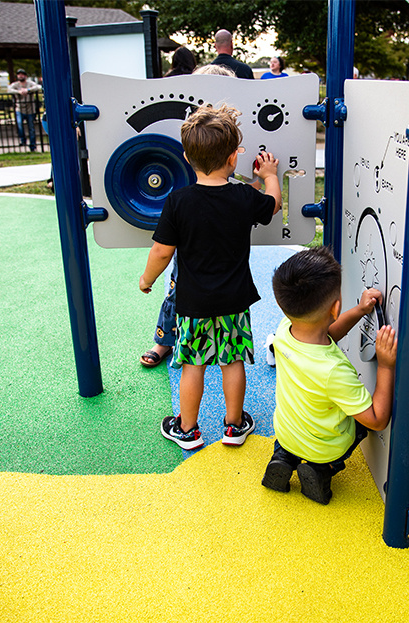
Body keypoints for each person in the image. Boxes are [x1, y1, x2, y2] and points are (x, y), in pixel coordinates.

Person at [139, 103, 281, 450]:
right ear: (233, 158)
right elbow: (273, 205)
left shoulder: (178, 201)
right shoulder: (244, 196)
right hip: (234, 300)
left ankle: (187, 429)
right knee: (231, 361)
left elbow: (162, 251)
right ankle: (234, 426)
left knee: (193, 365)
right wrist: (271, 176)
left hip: (193, 303)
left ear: (187, 158)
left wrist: (147, 280)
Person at [261, 246, 398, 504]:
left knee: (296, 428)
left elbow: (328, 333)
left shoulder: (283, 331)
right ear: (335, 308)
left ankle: (282, 458)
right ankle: (323, 469)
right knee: (358, 425)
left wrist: (359, 310)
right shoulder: (334, 370)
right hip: (324, 448)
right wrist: (386, 366)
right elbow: (377, 420)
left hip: (285, 432)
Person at [138, 63, 238, 369]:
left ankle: (214, 347)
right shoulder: (190, 135)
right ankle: (165, 340)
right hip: (191, 226)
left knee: (209, 294)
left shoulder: (229, 143)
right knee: (177, 290)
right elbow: (163, 248)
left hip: (220, 235)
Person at [7, 69, 42, 152]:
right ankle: (23, 140)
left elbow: (38, 87)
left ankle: (32, 146)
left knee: (31, 128)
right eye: (19, 74)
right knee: (19, 124)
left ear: (25, 76)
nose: (20, 76)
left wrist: (28, 90)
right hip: (19, 108)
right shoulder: (15, 85)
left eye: (22, 74)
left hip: (30, 109)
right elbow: (9, 90)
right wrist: (19, 91)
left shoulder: (30, 83)